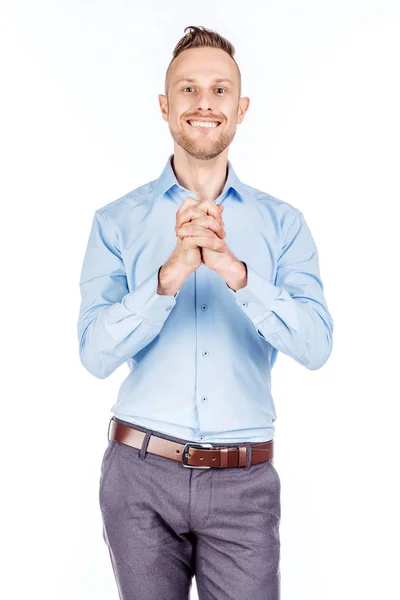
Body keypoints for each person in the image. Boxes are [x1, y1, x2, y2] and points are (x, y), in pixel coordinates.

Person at [77, 25, 334, 600]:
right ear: (166, 107)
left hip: (244, 483)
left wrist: (235, 272)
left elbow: (317, 345)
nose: (204, 103)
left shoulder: (282, 224)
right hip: (139, 473)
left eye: (219, 90)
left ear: (240, 108)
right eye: (188, 90)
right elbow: (93, 353)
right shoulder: (115, 221)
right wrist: (166, 279)